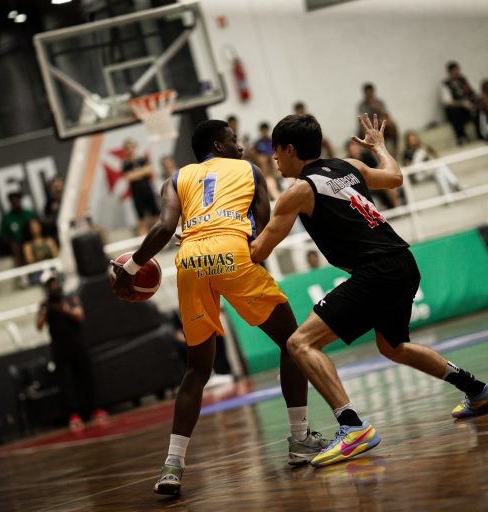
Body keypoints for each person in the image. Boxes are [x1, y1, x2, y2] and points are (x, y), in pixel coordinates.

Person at [250, 113, 488, 468]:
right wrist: (381, 148)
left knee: (300, 344)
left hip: (375, 272)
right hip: (403, 263)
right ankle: (479, 391)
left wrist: (214, 236)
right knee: (393, 346)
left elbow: (258, 252)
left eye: (276, 151)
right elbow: (395, 177)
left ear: (291, 149)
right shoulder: (349, 165)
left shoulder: (298, 192)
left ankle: (352, 427)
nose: (274, 159)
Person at [111, 119, 327, 495]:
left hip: (190, 261)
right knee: (293, 343)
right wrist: (237, 243)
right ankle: (299, 439)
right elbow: (264, 228)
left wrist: (130, 270)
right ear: (217, 144)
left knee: (197, 369)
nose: (240, 147)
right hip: (233, 254)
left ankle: (172, 466)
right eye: (234, 140)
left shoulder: (175, 178)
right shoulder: (250, 170)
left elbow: (164, 228)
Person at [36, 270, 106, 430]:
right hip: (59, 348)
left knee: (87, 377)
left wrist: (65, 309)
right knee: (66, 383)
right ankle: (74, 415)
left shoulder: (69, 298)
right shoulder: (44, 305)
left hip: (78, 344)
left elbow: (80, 316)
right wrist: (46, 310)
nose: (52, 287)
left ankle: (95, 409)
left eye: (53, 283)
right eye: (49, 285)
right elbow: (39, 326)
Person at [402, 130, 462, 202]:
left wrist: (431, 157)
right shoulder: (407, 152)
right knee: (438, 165)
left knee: (439, 172)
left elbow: (436, 154)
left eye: (414, 139)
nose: (413, 142)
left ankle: (448, 198)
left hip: (428, 170)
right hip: (418, 174)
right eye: (411, 140)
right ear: (407, 141)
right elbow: (409, 168)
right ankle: (455, 183)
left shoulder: (423, 146)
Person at [346, 139, 402, 209]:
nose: (355, 151)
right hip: (363, 186)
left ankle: (397, 206)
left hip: (374, 179)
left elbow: (377, 167)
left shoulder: (366, 155)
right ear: (349, 151)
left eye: (355, 148)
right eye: (352, 150)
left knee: (389, 182)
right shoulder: (348, 162)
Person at [122, 139, 160, 235]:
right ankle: (142, 241)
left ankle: (160, 238)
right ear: (125, 150)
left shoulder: (142, 159)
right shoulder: (126, 164)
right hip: (137, 194)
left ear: (134, 147)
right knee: (141, 219)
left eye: (131, 147)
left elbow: (149, 170)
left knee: (155, 216)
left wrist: (135, 173)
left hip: (148, 191)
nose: (130, 150)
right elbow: (129, 177)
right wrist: (142, 172)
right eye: (127, 148)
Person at [441, 61, 478, 145]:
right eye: (454, 71)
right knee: (454, 111)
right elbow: (447, 102)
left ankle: (482, 132)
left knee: (479, 106)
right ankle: (461, 137)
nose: (456, 72)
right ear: (450, 72)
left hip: (470, 105)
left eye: (457, 70)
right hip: (458, 109)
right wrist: (462, 103)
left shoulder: (464, 80)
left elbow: (475, 92)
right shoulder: (445, 84)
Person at [357, 84, 399, 156]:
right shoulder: (362, 105)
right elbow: (362, 119)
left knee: (392, 125)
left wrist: (376, 107)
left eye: (371, 93)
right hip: (368, 127)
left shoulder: (379, 102)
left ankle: (395, 150)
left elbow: (386, 115)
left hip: (379, 125)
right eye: (367, 93)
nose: (369, 95)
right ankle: (371, 152)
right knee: (366, 124)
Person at [0, 192, 38, 267]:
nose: (16, 202)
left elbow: (38, 225)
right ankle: (22, 269)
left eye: (17, 199)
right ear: (10, 202)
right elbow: (3, 235)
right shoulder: (7, 218)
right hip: (17, 244)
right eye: (13, 200)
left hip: (31, 240)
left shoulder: (29, 214)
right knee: (16, 247)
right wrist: (11, 242)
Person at [23, 219, 59, 284]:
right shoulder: (27, 245)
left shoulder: (49, 240)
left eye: (36, 226)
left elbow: (56, 255)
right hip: (37, 272)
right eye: (32, 227)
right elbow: (29, 261)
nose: (35, 229)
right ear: (29, 230)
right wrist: (37, 257)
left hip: (51, 268)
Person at [253, 122, 282, 200]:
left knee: (273, 159)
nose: (264, 132)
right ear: (261, 131)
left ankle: (278, 173)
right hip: (264, 165)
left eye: (266, 130)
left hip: (272, 160)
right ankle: (266, 175)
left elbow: (277, 152)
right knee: (263, 159)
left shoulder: (272, 142)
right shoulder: (257, 143)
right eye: (263, 130)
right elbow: (254, 155)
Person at [42, 177, 64, 243]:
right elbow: (48, 223)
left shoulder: (72, 199)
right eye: (55, 187)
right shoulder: (49, 205)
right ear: (51, 190)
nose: (58, 189)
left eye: (60, 186)